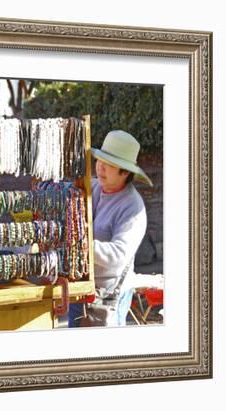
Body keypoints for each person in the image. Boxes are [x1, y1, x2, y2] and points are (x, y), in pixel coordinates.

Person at [68, 130, 153, 327]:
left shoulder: (133, 207)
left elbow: (117, 255)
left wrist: (78, 244)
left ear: (125, 172)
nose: (100, 167)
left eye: (109, 165)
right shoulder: (94, 187)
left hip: (107, 296)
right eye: (99, 160)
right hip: (81, 287)